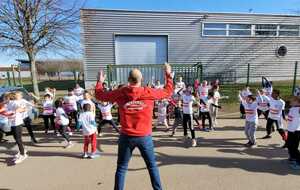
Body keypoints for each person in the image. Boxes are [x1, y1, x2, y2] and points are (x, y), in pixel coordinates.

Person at [95, 63, 173, 190]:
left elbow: (100, 95)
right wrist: (168, 74)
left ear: (128, 80)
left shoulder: (121, 92)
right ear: (141, 80)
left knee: (121, 168)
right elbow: (168, 91)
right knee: (152, 166)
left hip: (126, 136)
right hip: (144, 136)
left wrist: (99, 81)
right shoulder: (149, 92)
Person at [6, 92, 28, 164]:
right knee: (16, 139)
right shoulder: (8, 103)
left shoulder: (14, 102)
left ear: (9, 97)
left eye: (6, 97)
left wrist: (16, 111)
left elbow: (23, 109)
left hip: (17, 123)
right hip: (12, 123)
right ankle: (22, 151)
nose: (5, 99)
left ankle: (23, 155)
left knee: (18, 140)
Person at [286, 96, 300, 170]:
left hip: (295, 131)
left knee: (294, 147)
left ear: (297, 102)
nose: (290, 101)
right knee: (289, 145)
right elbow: (290, 120)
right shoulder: (292, 109)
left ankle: (298, 162)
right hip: (291, 130)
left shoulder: (297, 109)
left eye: (292, 100)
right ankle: (293, 158)